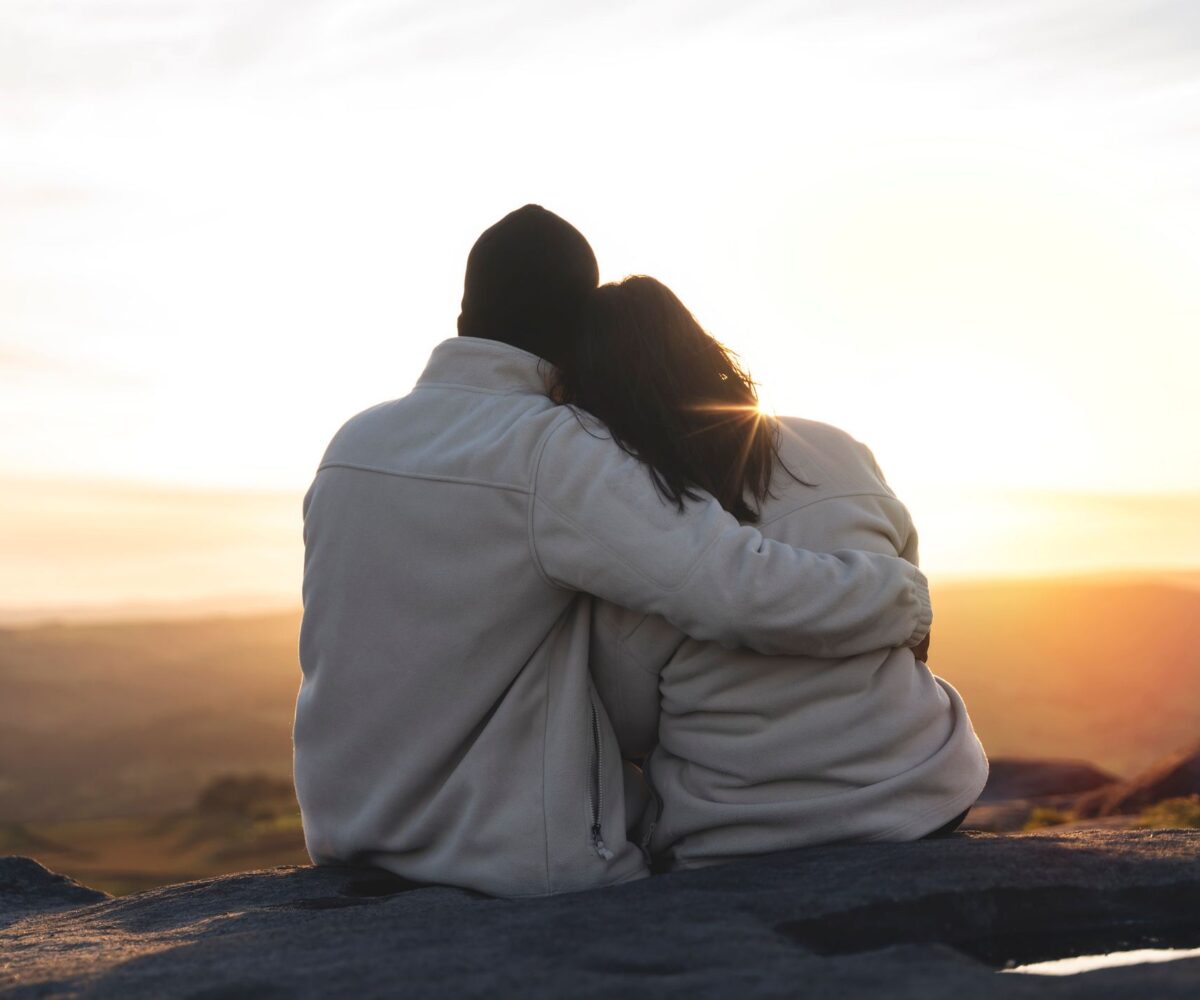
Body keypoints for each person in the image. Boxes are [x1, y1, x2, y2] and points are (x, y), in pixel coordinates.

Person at [293, 206, 934, 898]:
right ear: (576, 330)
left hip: (346, 829)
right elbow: (737, 588)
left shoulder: (352, 444)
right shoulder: (557, 450)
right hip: (500, 853)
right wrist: (902, 596)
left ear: (463, 311)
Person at [556, 276, 988, 871]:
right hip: (926, 792)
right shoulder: (839, 449)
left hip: (744, 832)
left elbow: (628, 725)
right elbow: (914, 631)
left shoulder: (640, 531)